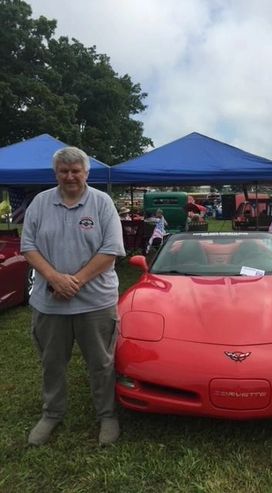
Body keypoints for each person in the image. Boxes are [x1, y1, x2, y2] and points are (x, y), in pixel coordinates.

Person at [21, 146, 126, 446]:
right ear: (56, 174)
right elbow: (28, 246)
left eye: (75, 171)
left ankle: (106, 415)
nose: (69, 176)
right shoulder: (40, 203)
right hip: (50, 302)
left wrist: (75, 282)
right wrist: (54, 278)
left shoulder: (102, 203)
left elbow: (111, 250)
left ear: (85, 173)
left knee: (101, 362)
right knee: (52, 362)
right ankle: (52, 413)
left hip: (95, 302)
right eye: (63, 171)